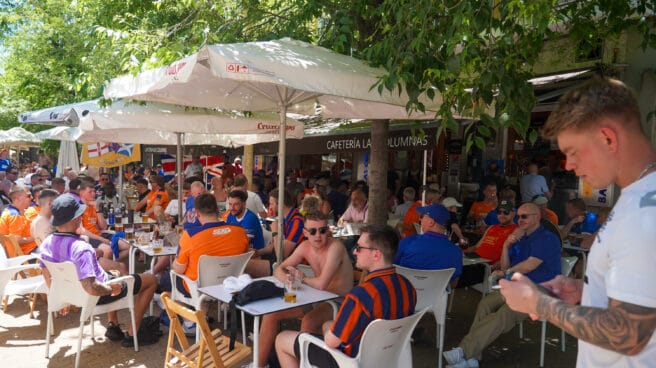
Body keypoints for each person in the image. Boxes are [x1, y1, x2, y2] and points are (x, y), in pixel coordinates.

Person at [501, 77, 656, 367]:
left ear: (608, 139)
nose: (568, 165)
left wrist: (540, 304)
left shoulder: (643, 212)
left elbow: (628, 333)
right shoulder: (638, 198)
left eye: (573, 152)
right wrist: (589, 293)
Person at [274, 225, 417, 368]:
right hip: (387, 356)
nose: (355, 251)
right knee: (326, 325)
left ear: (376, 254)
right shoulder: (408, 287)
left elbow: (331, 342)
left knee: (282, 339)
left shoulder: (362, 295)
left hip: (351, 361)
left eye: (360, 248)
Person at [443, 203, 561, 367]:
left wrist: (507, 272)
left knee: (503, 314)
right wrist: (506, 245)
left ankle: (464, 351)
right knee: (485, 304)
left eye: (524, 216)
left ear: (537, 217)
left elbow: (529, 265)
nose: (520, 219)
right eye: (518, 216)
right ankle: (473, 358)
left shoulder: (547, 238)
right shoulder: (520, 238)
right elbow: (505, 267)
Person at [38, 195, 157, 347]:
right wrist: (113, 288)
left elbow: (46, 273)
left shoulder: (47, 243)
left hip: (72, 293)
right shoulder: (81, 248)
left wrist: (63, 298)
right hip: (94, 296)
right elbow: (92, 287)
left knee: (115, 271)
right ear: (76, 219)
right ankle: (133, 333)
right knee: (151, 280)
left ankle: (113, 325)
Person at [252, 211, 353, 368]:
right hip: (314, 298)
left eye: (322, 230)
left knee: (309, 320)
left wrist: (301, 279)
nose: (318, 235)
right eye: (312, 231)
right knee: (271, 314)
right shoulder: (305, 246)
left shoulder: (336, 247)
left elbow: (321, 284)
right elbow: (280, 268)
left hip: (338, 301)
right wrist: (287, 278)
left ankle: (302, 363)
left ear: (329, 230)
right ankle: (259, 364)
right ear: (305, 232)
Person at [171, 193, 249, 297]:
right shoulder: (240, 231)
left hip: (198, 288)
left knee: (168, 279)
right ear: (217, 210)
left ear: (197, 214)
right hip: (231, 284)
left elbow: (179, 269)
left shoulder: (190, 236)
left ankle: (185, 310)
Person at [394, 204, 462, 284]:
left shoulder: (408, 242)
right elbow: (453, 283)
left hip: (405, 294)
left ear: (431, 222)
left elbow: (391, 267)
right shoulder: (456, 251)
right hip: (435, 295)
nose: (419, 219)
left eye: (422, 216)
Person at [457, 200, 518, 288]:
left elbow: (512, 256)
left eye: (506, 212)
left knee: (456, 276)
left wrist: (492, 268)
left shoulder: (517, 230)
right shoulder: (492, 227)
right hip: (473, 260)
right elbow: (476, 247)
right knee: (450, 264)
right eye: (499, 212)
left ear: (513, 213)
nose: (502, 215)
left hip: (486, 267)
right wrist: (460, 251)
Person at [246, 189, 304, 278]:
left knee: (245, 266)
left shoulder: (296, 221)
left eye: (272, 204)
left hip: (293, 266)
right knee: (246, 260)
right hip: (284, 262)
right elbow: (278, 244)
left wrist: (275, 233)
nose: (270, 207)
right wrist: (258, 252)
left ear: (281, 203)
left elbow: (281, 255)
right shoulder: (287, 218)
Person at [0, 185, 38, 256]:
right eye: (29, 196)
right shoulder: (15, 215)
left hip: (25, 251)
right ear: (18, 198)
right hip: (22, 255)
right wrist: (35, 237)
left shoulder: (9, 210)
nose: (32, 198)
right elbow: (16, 240)